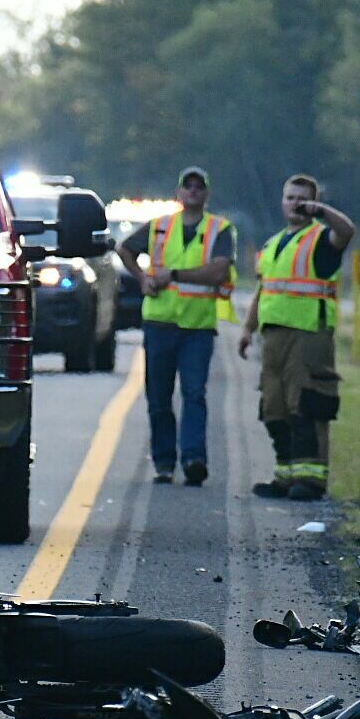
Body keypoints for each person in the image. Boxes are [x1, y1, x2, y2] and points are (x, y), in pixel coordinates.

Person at [238, 174, 356, 501]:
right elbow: (264, 290)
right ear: (282, 201)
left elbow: (347, 231)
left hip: (308, 336)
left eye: (302, 199)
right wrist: (247, 329)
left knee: (306, 403)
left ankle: (311, 479)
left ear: (313, 202)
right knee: (274, 408)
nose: (295, 204)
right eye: (290, 198)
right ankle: (285, 474)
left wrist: (321, 211)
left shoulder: (321, 239)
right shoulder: (273, 244)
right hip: (273, 337)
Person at [117, 167, 237, 486]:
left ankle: (194, 459)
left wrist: (176, 275)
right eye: (189, 186)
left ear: (207, 194)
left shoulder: (220, 230)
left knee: (194, 393)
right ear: (179, 192)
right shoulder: (159, 228)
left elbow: (218, 272)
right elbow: (124, 249)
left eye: (200, 187)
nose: (194, 191)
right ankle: (164, 462)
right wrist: (142, 278)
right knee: (159, 397)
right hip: (160, 323)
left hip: (197, 327)